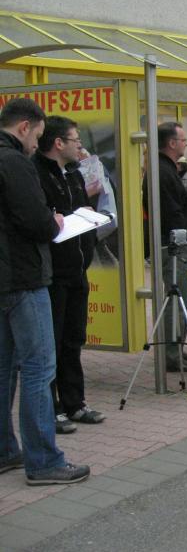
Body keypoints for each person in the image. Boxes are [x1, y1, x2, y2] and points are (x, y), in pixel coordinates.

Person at [0, 98, 90, 485]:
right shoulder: (15, 162)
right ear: (24, 127)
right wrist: (54, 221)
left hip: (5, 279)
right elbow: (37, 221)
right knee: (39, 368)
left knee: (5, 368)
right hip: (24, 276)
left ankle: (5, 450)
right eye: (37, 135)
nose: (37, 143)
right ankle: (43, 461)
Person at [33, 116, 105, 434]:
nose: (80, 146)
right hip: (53, 273)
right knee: (53, 341)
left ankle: (75, 402)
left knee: (74, 339)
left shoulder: (74, 174)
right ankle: (53, 409)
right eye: (75, 140)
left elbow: (81, 209)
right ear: (58, 143)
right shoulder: (37, 174)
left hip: (77, 269)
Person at [142, 122, 187, 372]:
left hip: (177, 241)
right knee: (177, 298)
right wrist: (186, 231)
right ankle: (171, 354)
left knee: (182, 297)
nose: (186, 144)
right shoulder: (161, 171)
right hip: (175, 245)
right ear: (172, 143)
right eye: (183, 140)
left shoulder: (165, 169)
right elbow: (171, 211)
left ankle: (175, 349)